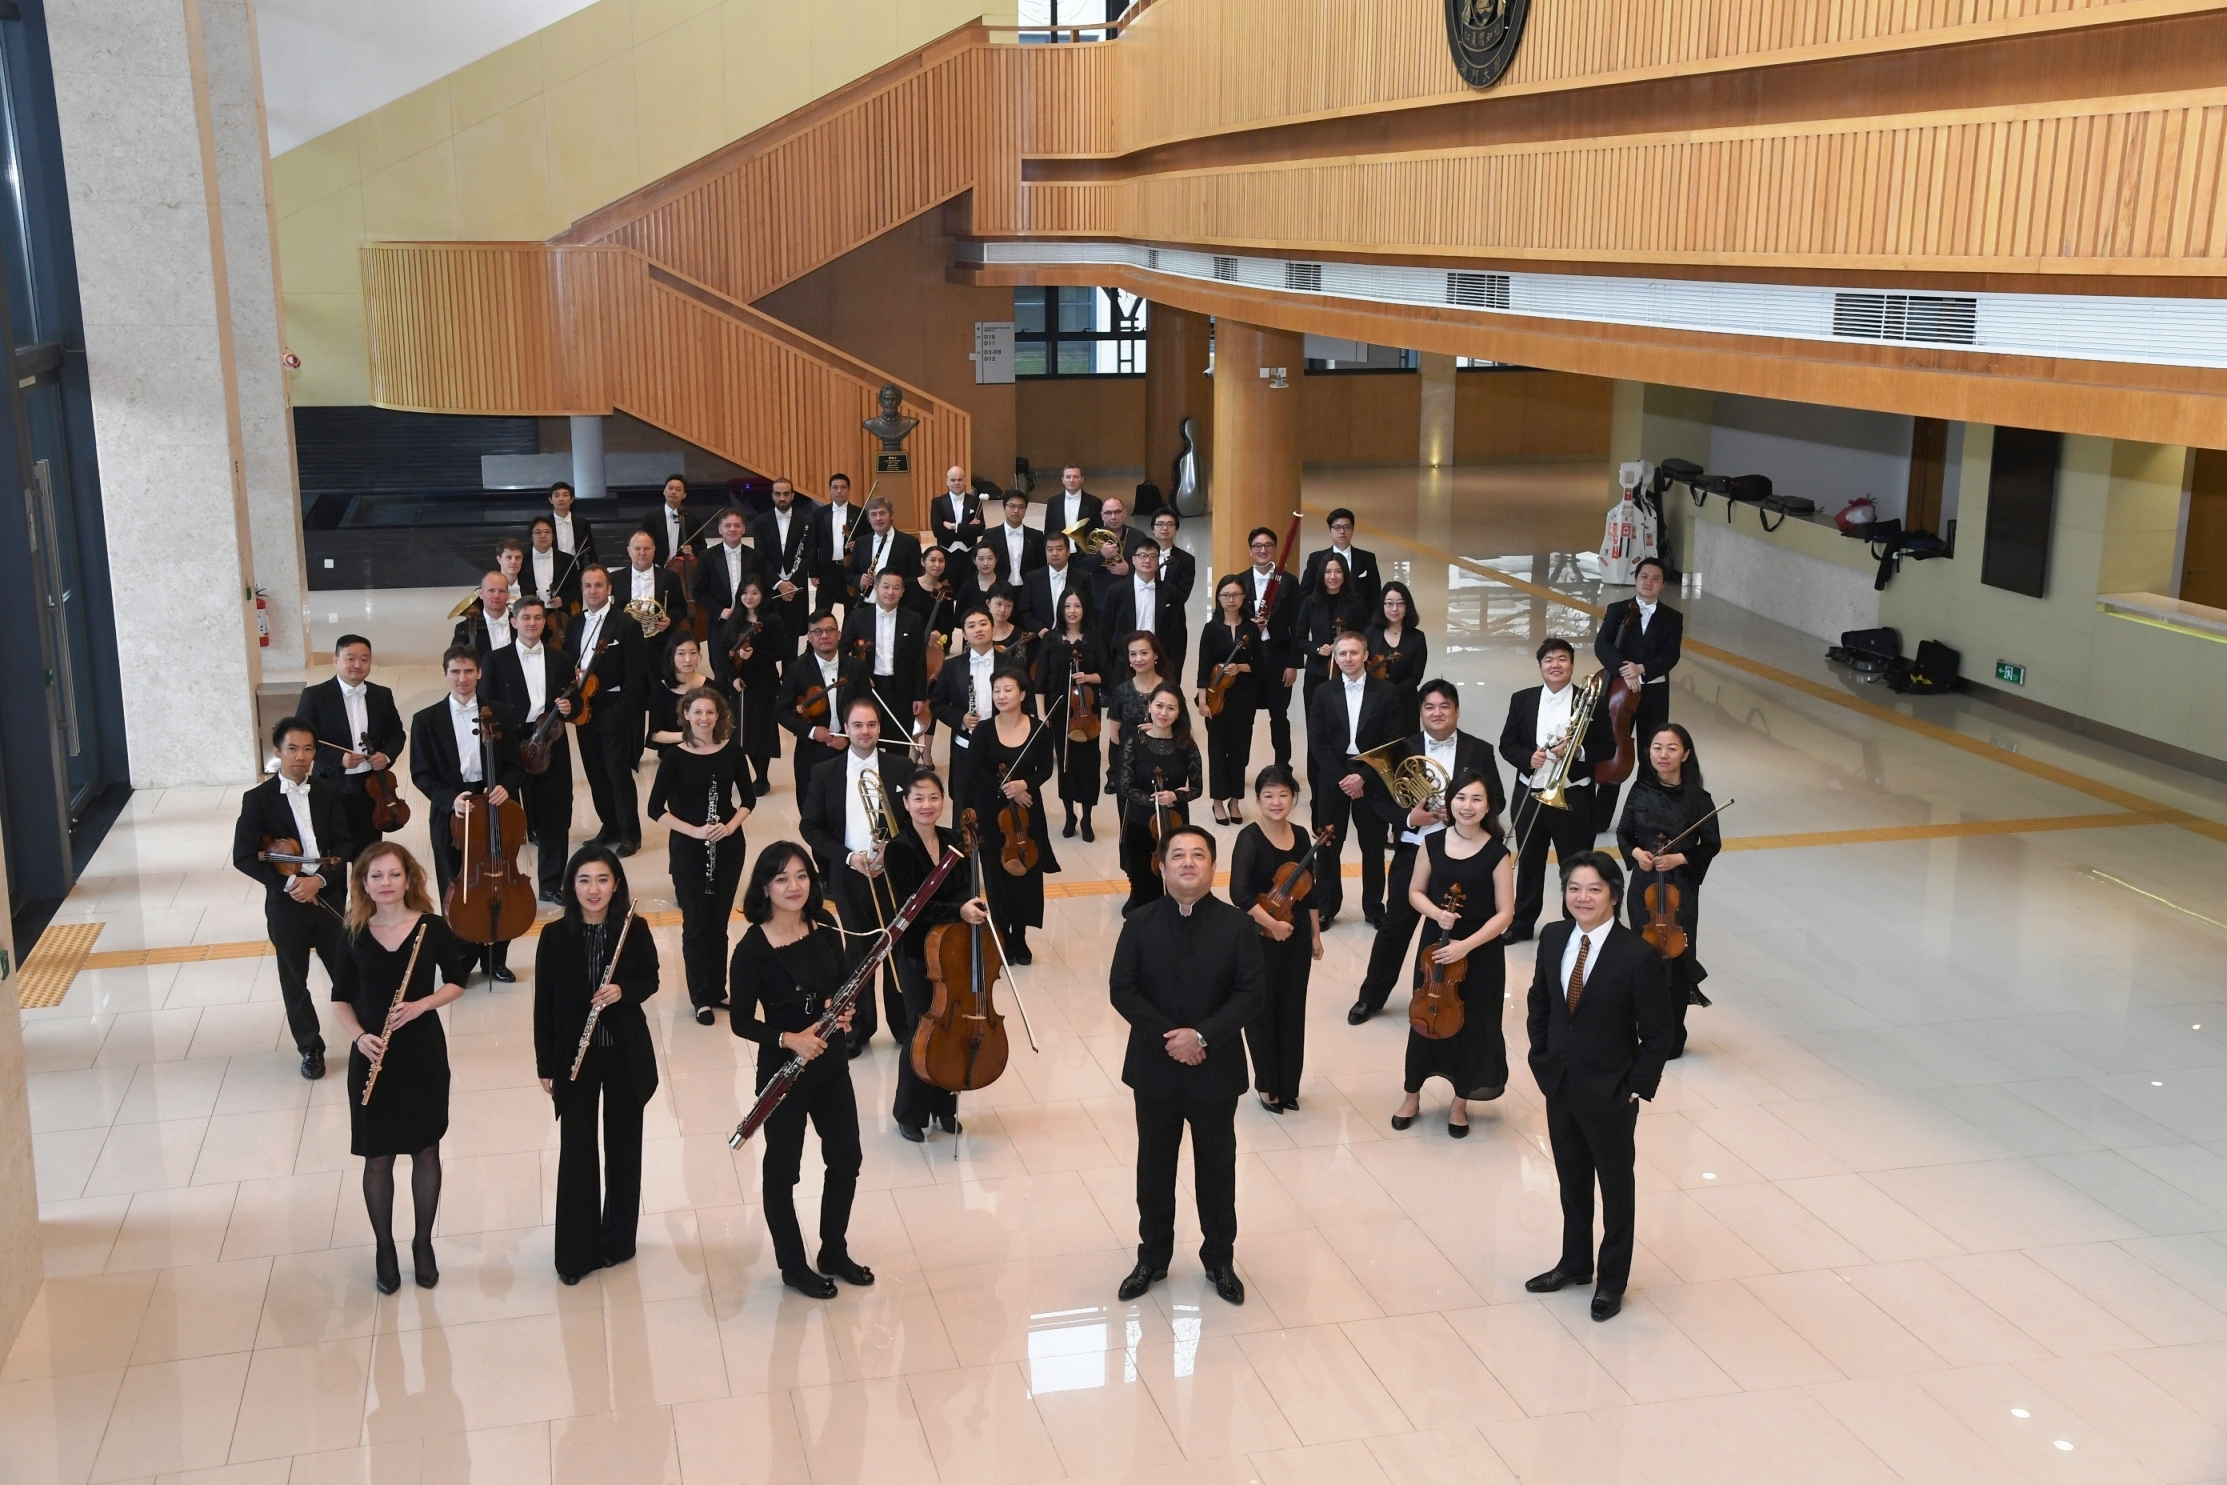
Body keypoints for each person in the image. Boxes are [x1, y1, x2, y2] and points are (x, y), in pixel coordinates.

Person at [1111, 825, 1263, 1306]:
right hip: (1155, 1070)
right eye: (1177, 855)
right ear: (1161, 866)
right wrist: (1171, 1038)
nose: (1188, 863)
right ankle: (1152, 1257)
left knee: (1217, 1169)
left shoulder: (1237, 925)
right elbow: (1122, 990)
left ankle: (1219, 1259)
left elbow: (1251, 993)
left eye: (1199, 855)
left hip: (1215, 1068)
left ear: (1213, 867)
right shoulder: (1139, 922)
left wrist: (1201, 1036)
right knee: (1154, 1168)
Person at [1523, 851, 1673, 1323]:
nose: (1582, 898)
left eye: (1594, 889)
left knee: (1615, 1189)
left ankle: (1611, 1281)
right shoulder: (1553, 937)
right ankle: (1574, 1263)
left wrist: (1635, 1088)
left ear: (1613, 895)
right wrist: (1541, 1058)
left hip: (1611, 1092)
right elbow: (1540, 1002)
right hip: (1560, 1085)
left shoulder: (1637, 955)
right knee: (1571, 1182)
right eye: (1574, 888)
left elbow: (1659, 1033)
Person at [730, 842, 875, 1297]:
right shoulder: (751, 949)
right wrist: (789, 1038)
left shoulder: (826, 925)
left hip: (830, 1064)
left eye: (801, 876)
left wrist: (844, 1013)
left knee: (846, 1158)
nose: (793, 887)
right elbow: (740, 1021)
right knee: (782, 1173)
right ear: (764, 887)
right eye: (781, 879)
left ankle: (833, 1250)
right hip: (785, 1073)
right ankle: (792, 1265)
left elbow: (841, 985)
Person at [331, 843, 474, 1294]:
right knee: (378, 1158)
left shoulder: (432, 927)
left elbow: (457, 981)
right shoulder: (353, 933)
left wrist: (421, 1005)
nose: (386, 883)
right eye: (376, 876)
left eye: (394, 874)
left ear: (409, 879)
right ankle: (384, 1247)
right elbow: (339, 998)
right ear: (363, 883)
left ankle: (422, 1243)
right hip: (372, 1054)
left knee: (425, 1151)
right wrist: (359, 1037)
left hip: (421, 1052)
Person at [533, 844, 661, 1284]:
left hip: (624, 1053)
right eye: (584, 880)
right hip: (575, 1058)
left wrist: (622, 990)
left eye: (603, 880)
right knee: (577, 1152)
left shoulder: (633, 927)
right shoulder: (554, 936)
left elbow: (650, 978)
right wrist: (545, 1064)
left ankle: (619, 1241)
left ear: (616, 884)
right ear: (571, 885)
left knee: (624, 1149)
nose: (594, 889)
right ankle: (576, 1253)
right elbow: (544, 1005)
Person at [1349, 679, 1499, 1021]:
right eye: (1429, 707)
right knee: (1394, 929)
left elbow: (1498, 799)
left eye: (1445, 706)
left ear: (1457, 711)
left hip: (1460, 856)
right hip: (1414, 852)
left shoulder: (1479, 750)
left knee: (1456, 928)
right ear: (1420, 712)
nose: (1437, 712)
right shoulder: (1403, 747)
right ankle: (1370, 997)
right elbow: (1379, 801)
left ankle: (1448, 998)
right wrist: (1409, 818)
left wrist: (1464, 812)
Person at [1389, 771, 1515, 1136]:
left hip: (1479, 950)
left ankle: (1459, 1104)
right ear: (1450, 802)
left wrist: (1465, 945)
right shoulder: (1432, 843)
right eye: (1460, 798)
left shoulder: (1497, 853)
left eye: (1476, 799)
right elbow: (1415, 892)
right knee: (1424, 1020)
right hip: (1436, 946)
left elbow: (1505, 912)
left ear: (1488, 806)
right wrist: (1437, 914)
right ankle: (1411, 1096)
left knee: (1474, 1024)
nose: (1467, 806)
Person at [233, 717, 351, 1079]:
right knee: (294, 979)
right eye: (293, 748)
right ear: (277, 751)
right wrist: (289, 884)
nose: (301, 756)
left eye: (308, 749)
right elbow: (243, 856)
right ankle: (311, 1047)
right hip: (286, 904)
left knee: (347, 970)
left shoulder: (329, 791)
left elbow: (345, 845)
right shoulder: (257, 800)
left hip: (328, 895)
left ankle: (367, 1035)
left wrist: (318, 880)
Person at [406, 646, 528, 980]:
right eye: (456, 672)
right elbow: (421, 773)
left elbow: (517, 765)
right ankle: (459, 957)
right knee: (456, 885)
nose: (463, 678)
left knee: (499, 881)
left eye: (469, 671)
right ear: (445, 674)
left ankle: (495, 959)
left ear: (479, 673)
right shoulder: (425, 720)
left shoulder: (501, 712)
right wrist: (449, 799)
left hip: (494, 806)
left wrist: (505, 786)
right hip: (453, 810)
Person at [799, 696, 912, 1049]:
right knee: (859, 954)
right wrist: (848, 858)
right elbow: (810, 826)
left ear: (880, 728)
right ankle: (858, 1029)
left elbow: (916, 818)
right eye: (858, 725)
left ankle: (904, 1026)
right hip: (850, 873)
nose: (865, 731)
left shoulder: (901, 766)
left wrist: (893, 850)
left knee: (898, 949)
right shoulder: (825, 772)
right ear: (845, 728)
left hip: (893, 873)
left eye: (872, 725)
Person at [885, 767, 992, 1141]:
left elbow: (963, 888)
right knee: (922, 1031)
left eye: (933, 797)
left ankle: (945, 1109)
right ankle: (909, 1113)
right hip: (919, 953)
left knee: (953, 1029)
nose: (926, 805)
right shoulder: (898, 849)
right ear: (906, 803)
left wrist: (971, 904)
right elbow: (912, 906)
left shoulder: (953, 839)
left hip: (954, 949)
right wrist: (957, 910)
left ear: (943, 800)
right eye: (918, 798)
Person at [649, 689, 756, 1024]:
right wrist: (694, 831)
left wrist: (729, 826)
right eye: (697, 712)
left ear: (718, 715)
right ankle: (700, 997)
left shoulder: (732, 751)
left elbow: (748, 799)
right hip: (689, 847)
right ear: (686, 715)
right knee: (696, 923)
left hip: (728, 845)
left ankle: (718, 990)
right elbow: (654, 809)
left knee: (719, 922)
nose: (703, 719)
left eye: (709, 712)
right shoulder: (674, 757)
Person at [1615, 723, 1720, 1058]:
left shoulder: (1699, 799)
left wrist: (1679, 858)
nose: (1663, 754)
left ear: (1685, 754)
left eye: (1672, 748)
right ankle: (1644, 1029)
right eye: (1657, 747)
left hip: (1679, 890)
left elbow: (1711, 845)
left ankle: (1673, 1035)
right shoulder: (1639, 791)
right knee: (1644, 956)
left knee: (1676, 956)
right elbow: (1624, 833)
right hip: (1644, 887)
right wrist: (1637, 854)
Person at [1501, 638, 1616, 943]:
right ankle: (1522, 923)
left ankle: (1574, 924)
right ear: (1540, 666)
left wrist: (1577, 752)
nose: (1555, 665)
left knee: (1576, 865)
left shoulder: (1591, 702)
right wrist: (1528, 758)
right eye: (1549, 659)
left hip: (1573, 796)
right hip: (1531, 793)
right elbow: (1507, 744)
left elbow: (1607, 747)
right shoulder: (1522, 699)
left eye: (1562, 659)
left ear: (1572, 665)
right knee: (1529, 862)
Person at [1228, 767, 1322, 1114]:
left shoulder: (1301, 836)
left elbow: (1310, 892)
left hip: (1296, 937)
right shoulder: (1249, 838)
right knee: (1262, 1012)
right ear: (1258, 800)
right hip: (1259, 937)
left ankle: (1288, 1086)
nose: (1276, 802)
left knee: (1293, 1010)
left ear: (1293, 798)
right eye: (1268, 796)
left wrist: (1315, 935)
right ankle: (1268, 1085)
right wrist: (1272, 924)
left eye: (1283, 794)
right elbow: (1239, 893)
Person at [484, 596, 576, 904]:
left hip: (549, 740)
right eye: (525, 618)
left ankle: (551, 883)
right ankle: (506, 883)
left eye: (538, 617)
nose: (532, 623)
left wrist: (570, 707)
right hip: (510, 742)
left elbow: (575, 704)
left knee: (555, 814)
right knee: (506, 816)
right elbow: (485, 706)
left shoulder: (561, 659)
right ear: (513, 622)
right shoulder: (495, 660)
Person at [1304, 631, 1397, 930]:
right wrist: (1344, 778)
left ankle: (1374, 907)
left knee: (1373, 845)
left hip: (1371, 773)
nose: (1348, 658)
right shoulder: (1323, 691)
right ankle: (1327, 907)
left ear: (1366, 656)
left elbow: (1391, 741)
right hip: (1334, 775)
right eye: (1342, 653)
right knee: (1328, 845)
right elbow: (1316, 741)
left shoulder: (1386, 691)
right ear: (1335, 657)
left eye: (1354, 652)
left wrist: (1363, 776)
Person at [968, 670, 1058, 963]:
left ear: (1022, 694)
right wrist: (1008, 789)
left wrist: (1025, 785)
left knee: (1026, 871)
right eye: (997, 690)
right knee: (996, 873)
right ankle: (1003, 934)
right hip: (992, 809)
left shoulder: (1038, 729)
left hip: (1028, 810)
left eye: (1008, 689)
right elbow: (974, 771)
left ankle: (1020, 936)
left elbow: (1045, 769)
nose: (1001, 696)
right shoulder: (983, 730)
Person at [1591, 555, 1683, 831]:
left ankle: (1642, 816)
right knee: (1612, 748)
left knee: (1650, 753)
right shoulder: (1618, 609)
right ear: (1635, 579)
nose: (1648, 583)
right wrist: (1625, 671)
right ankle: (1600, 818)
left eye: (1655, 579)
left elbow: (1670, 656)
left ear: (1663, 585)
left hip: (1653, 693)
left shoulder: (1672, 618)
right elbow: (1602, 645)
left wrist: (1642, 669)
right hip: (1620, 691)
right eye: (1644, 577)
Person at [567, 565, 652, 856]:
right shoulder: (575, 623)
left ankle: (630, 833)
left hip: (613, 706)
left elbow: (635, 675)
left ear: (609, 589)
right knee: (595, 771)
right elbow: (568, 661)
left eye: (598, 585)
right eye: (587, 586)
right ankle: (610, 825)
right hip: (584, 707)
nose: (593, 591)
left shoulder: (625, 624)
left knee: (617, 773)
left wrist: (621, 710)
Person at [296, 634, 407, 851]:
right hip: (331, 785)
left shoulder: (381, 695)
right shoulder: (315, 696)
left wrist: (386, 755)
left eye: (364, 659)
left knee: (368, 853)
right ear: (336, 660)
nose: (357, 665)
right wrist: (339, 758)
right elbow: (302, 740)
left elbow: (397, 734)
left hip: (372, 788)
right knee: (332, 852)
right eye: (350, 658)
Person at [1116, 684, 1201, 914]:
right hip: (1140, 823)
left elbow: (1197, 788)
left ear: (1179, 711)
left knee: (1175, 879)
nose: (1163, 713)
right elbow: (1125, 786)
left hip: (1175, 824)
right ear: (1149, 707)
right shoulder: (1135, 742)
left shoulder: (1187, 745)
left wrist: (1176, 795)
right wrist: (1151, 799)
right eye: (1159, 706)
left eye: (1171, 708)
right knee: (1142, 880)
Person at [1036, 589, 1104, 841]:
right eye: (1067, 606)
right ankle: (1069, 816)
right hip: (1060, 711)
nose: (1072, 611)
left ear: (1085, 608)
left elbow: (1106, 674)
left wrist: (1088, 677)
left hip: (1088, 713)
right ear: (1061, 610)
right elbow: (1040, 680)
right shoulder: (1051, 639)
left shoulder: (1094, 638)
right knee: (1066, 766)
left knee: (1089, 766)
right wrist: (1042, 714)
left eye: (1077, 605)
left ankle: (1087, 818)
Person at [1194, 575, 1261, 826]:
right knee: (1217, 750)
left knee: (1239, 751)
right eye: (1225, 595)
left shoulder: (1251, 629)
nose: (1231, 600)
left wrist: (1241, 667)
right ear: (1219, 598)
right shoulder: (1211, 628)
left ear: (1243, 598)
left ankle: (1235, 801)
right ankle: (1218, 802)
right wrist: (1202, 701)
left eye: (1236, 595)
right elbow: (1203, 666)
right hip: (1216, 698)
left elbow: (1261, 664)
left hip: (1244, 697)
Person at [839, 568, 929, 747]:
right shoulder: (858, 617)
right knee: (868, 742)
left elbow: (919, 659)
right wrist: (860, 675)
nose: (890, 592)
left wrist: (920, 696)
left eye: (896, 588)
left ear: (902, 591)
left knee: (899, 744)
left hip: (901, 690)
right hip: (869, 688)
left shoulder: (913, 620)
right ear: (875, 588)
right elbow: (842, 653)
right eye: (885, 586)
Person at [1239, 526, 1301, 772]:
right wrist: (1250, 625)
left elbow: (1297, 626)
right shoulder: (1239, 581)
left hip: (1278, 658)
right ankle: (1239, 768)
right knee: (1245, 717)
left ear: (1275, 549)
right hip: (1248, 660)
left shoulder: (1289, 582)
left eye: (1268, 545)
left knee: (1279, 717)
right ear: (1250, 550)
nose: (1262, 550)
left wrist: (1293, 664)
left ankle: (1283, 767)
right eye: (1257, 546)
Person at [929, 608, 1001, 809]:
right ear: (964, 634)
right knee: (964, 807)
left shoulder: (1010, 665)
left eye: (983, 624)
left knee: (998, 805)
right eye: (971, 626)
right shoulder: (951, 666)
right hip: (964, 747)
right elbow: (937, 703)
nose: (978, 629)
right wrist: (961, 718)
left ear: (993, 629)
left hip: (1001, 746)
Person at [722, 576, 784, 793]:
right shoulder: (734, 620)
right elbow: (725, 652)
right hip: (740, 683)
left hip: (764, 683)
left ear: (763, 595)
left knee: (763, 731)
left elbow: (780, 652)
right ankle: (755, 774)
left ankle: (762, 777)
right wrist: (733, 677)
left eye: (754, 593)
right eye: (745, 592)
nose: (749, 597)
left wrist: (755, 654)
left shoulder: (772, 621)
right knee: (745, 732)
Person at [776, 610, 847, 798]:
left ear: (839, 634)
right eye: (817, 631)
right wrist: (812, 732)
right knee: (810, 804)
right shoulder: (796, 670)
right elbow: (782, 711)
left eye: (830, 630)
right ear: (809, 637)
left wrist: (848, 737)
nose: (824, 636)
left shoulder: (855, 667)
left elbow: (867, 706)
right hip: (811, 750)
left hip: (848, 749)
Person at [1292, 552, 1366, 727]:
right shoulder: (1310, 602)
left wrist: (1347, 647)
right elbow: (1299, 638)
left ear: (1345, 574)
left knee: (1344, 724)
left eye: (1338, 571)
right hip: (1316, 672)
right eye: (1328, 572)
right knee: (1315, 724)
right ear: (1321, 574)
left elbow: (1364, 636)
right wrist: (1317, 649)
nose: (1333, 576)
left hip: (1348, 672)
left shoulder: (1355, 602)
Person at [1101, 543, 1188, 677]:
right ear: (1133, 560)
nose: (1147, 560)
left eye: (1152, 556)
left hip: (1160, 663)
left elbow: (1179, 633)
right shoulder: (1116, 591)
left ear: (1158, 560)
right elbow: (1105, 631)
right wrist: (1107, 669)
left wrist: (1175, 670)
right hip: (1123, 664)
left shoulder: (1171, 592)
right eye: (1142, 555)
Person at [1102, 630, 1168, 798]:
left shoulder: (1169, 690)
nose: (1138, 659)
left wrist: (1158, 729)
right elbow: (1115, 736)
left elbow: (1182, 729)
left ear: (1155, 655)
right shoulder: (1121, 691)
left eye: (1144, 653)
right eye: (1133, 654)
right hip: (1129, 766)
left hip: (1163, 763)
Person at [754, 476, 816, 641]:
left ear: (792, 495)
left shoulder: (806, 521)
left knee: (792, 640)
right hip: (770, 588)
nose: (782, 498)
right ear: (772, 495)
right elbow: (761, 557)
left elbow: (808, 555)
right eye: (778, 494)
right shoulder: (761, 522)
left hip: (795, 589)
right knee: (768, 639)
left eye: (786, 494)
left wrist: (791, 585)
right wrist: (779, 584)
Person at [693, 507, 766, 636]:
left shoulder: (756, 556)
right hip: (719, 624)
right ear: (720, 529)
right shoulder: (706, 556)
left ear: (744, 529)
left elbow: (763, 588)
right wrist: (720, 611)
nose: (732, 529)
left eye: (737, 525)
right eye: (727, 525)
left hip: (750, 622)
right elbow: (699, 593)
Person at [1368, 581, 1427, 734]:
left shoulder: (1417, 637)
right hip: (1374, 703)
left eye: (1400, 603)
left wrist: (1391, 693)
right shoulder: (1370, 633)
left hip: (1405, 704)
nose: (1394, 609)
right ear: (1382, 605)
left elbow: (1415, 676)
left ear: (1407, 606)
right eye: (1389, 603)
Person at [1299, 507, 1381, 611]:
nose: (1342, 531)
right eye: (1337, 527)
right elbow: (1305, 593)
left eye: (1347, 527)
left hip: (1359, 617)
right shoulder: (1316, 559)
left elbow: (1375, 595)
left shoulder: (1367, 558)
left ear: (1352, 531)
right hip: (1324, 615)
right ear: (1330, 531)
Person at [845, 495, 923, 597]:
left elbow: (916, 577)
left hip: (898, 601)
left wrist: (894, 585)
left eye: (882, 513)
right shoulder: (861, 542)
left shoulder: (910, 543)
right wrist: (860, 580)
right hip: (867, 601)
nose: (878, 518)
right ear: (868, 519)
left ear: (891, 515)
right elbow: (850, 574)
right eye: (873, 514)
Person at [620, 530, 688, 645]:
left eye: (647, 548)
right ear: (629, 551)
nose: (642, 553)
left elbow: (681, 607)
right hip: (626, 641)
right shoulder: (615, 578)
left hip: (660, 642)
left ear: (654, 550)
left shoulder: (670, 577)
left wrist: (670, 619)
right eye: (637, 548)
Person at [645, 636, 710, 755]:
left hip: (706, 750)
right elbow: (655, 734)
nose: (688, 659)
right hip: (672, 753)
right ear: (671, 657)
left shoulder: (710, 687)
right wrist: (688, 736)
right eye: (681, 653)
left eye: (693, 653)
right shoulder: (660, 689)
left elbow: (721, 726)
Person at [809, 472, 861, 616]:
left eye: (843, 487)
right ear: (830, 490)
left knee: (851, 611)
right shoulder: (819, 514)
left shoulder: (859, 514)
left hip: (850, 569)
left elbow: (867, 541)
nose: (839, 491)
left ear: (848, 490)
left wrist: (858, 544)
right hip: (827, 570)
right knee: (822, 611)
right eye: (835, 487)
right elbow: (813, 544)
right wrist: (813, 573)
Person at [1019, 527, 1084, 637]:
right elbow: (1024, 612)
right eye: (1050, 549)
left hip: (1074, 637)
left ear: (1068, 551)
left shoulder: (1082, 578)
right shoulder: (1032, 578)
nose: (1054, 553)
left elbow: (1089, 610)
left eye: (1059, 549)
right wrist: (1039, 629)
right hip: (1041, 639)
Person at [452, 570, 518, 659]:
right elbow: (455, 662)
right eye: (491, 590)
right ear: (481, 593)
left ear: (508, 595)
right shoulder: (464, 628)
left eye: (501, 591)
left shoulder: (521, 623)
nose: (496, 596)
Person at [986, 491, 1046, 583]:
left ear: (1025, 509)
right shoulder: (990, 535)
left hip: (1028, 586)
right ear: (1004, 508)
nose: (1016, 511)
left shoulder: (1036, 536)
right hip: (999, 586)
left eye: (1021, 507)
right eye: (1012, 506)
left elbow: (1041, 566)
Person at [1147, 509, 1196, 615]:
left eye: (1170, 524)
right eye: (1160, 524)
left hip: (1172, 615)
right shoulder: (1141, 556)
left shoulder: (1186, 559)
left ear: (1176, 529)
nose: (1165, 528)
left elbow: (1183, 594)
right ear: (1153, 529)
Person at [929, 465, 984, 555]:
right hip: (945, 553)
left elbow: (979, 529)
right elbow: (938, 531)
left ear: (965, 481)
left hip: (970, 553)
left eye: (960, 480)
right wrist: (967, 528)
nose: (956, 483)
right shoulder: (937, 502)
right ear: (947, 482)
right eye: (953, 480)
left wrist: (954, 527)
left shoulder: (975, 501)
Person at [645, 473, 697, 569]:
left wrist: (692, 549)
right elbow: (645, 544)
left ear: (684, 495)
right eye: (670, 488)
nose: (673, 492)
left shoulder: (692, 518)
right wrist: (661, 560)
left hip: (682, 569)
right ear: (664, 491)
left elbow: (701, 545)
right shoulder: (651, 518)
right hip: (657, 568)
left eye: (678, 490)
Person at [1037, 463, 1103, 535]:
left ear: (1082, 479)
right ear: (1063, 480)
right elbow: (1048, 531)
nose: (1071, 480)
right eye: (1068, 477)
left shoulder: (1094, 502)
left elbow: (1099, 531)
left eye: (1076, 477)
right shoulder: (1053, 502)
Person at [548, 479, 595, 568]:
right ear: (551, 500)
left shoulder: (582, 523)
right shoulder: (545, 523)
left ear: (571, 499)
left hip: (576, 570)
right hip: (551, 569)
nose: (561, 499)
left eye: (565, 495)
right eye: (557, 495)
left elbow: (591, 551)